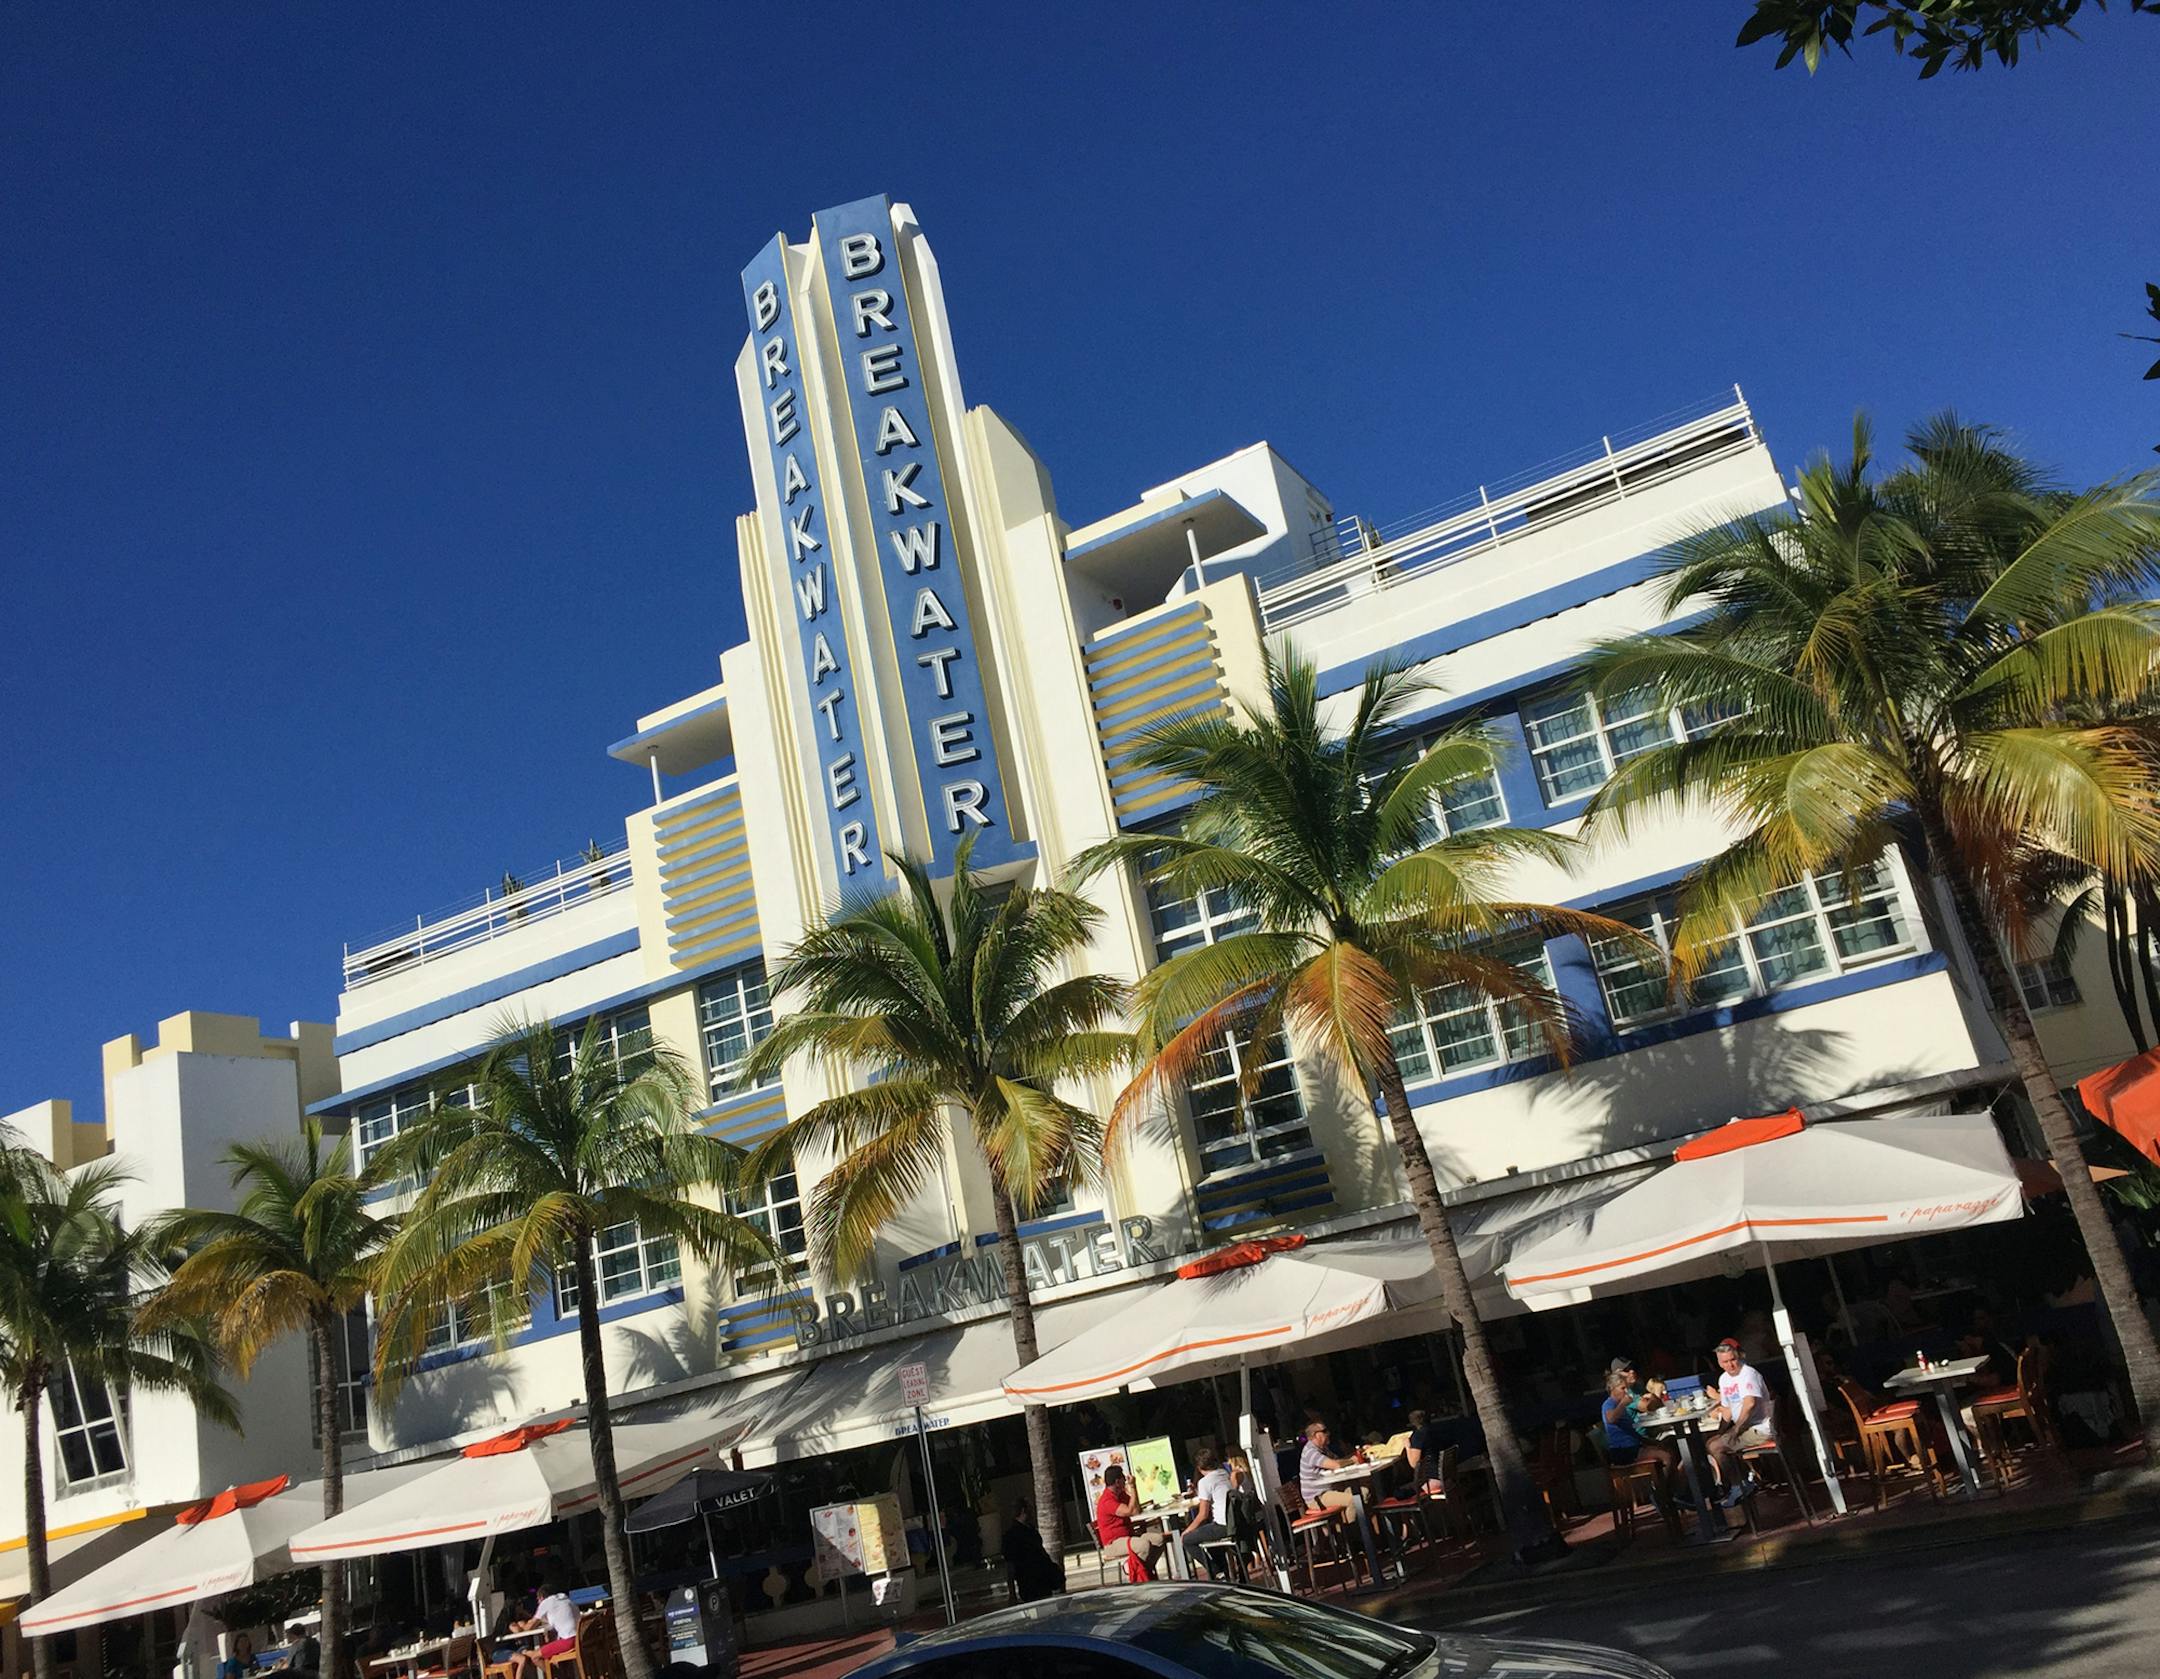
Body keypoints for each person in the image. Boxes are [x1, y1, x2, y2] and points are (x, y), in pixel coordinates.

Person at [1705, 1337, 1774, 1504]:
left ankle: (1739, 1485)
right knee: (1711, 1442)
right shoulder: (1724, 1379)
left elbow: (1749, 1404)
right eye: (1725, 1362)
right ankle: (1743, 1480)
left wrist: (1735, 1430)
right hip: (1745, 1427)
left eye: (1733, 1360)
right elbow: (1728, 1410)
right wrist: (1720, 1432)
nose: (1730, 1365)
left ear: (1739, 1357)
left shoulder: (1748, 1374)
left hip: (1760, 1428)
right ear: (1719, 1362)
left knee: (1716, 1446)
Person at [1093, 1464, 1166, 1580]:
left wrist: (1134, 1489)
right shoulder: (1107, 1500)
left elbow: (1136, 1510)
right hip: (1114, 1543)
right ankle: (1134, 1571)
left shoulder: (1121, 1495)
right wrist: (1132, 1487)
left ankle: (1141, 1570)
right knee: (1143, 1545)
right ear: (1117, 1481)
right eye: (1123, 1478)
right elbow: (1129, 1511)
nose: (1125, 1480)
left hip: (1129, 1537)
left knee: (1159, 1539)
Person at [1601, 1369, 1677, 1479]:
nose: (1626, 1391)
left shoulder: (1620, 1407)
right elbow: (1610, 1419)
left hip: (1635, 1446)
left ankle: (1673, 1489)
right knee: (1666, 1457)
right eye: (1623, 1388)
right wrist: (1623, 1404)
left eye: (1626, 1388)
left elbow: (1632, 1432)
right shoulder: (1609, 1404)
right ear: (1612, 1389)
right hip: (1624, 1451)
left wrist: (1651, 1442)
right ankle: (1659, 1491)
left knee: (1668, 1448)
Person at [499, 1576, 580, 1679]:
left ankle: (557, 1677)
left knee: (535, 1656)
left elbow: (529, 1627)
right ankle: (563, 1676)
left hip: (569, 1641)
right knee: (551, 1648)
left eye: (538, 1599)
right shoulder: (564, 1599)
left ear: (541, 1597)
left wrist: (523, 1619)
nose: (537, 1602)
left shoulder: (546, 1603)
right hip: (579, 1638)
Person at [1181, 1448, 1233, 1577]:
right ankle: (1223, 1571)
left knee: (1187, 1540)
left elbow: (1203, 1515)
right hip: (1234, 1521)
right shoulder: (1224, 1473)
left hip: (1222, 1525)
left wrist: (1187, 1531)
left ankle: (1215, 1571)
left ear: (1199, 1467)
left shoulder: (1204, 1482)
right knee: (1208, 1534)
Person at [1002, 1498, 1064, 1601]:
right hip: (1029, 1581)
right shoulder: (1014, 1535)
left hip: (1039, 1580)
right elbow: (1010, 1565)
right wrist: (1012, 1592)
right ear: (1023, 1511)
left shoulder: (1028, 1530)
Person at [1298, 1419, 1356, 1519]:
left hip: (1329, 1490)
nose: (1328, 1433)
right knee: (1353, 1500)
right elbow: (1336, 1465)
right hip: (1318, 1497)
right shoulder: (1310, 1452)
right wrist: (1353, 1460)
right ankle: (1355, 1532)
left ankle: (1353, 1529)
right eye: (1325, 1431)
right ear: (1316, 1435)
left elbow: (1339, 1460)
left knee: (1362, 1492)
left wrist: (1359, 1453)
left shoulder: (1323, 1449)